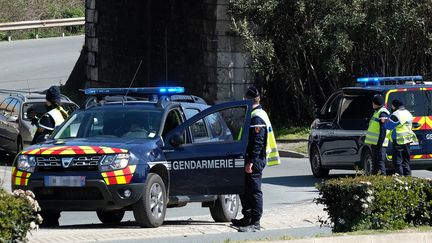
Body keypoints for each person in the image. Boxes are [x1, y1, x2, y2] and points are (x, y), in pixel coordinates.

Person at [232, 86, 281, 233]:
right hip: (250, 159)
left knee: (254, 191)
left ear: (249, 99)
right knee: (245, 189)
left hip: (255, 160)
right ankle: (247, 217)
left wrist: (251, 161)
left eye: (244, 98)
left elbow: (258, 141)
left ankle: (255, 222)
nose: (243, 100)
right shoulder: (255, 114)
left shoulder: (257, 116)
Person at [384, 99, 417, 176]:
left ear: (394, 106)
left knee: (397, 162)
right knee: (406, 161)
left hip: (399, 141)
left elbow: (388, 126)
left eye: (392, 105)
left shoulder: (396, 114)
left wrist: (388, 118)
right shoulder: (408, 113)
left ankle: (400, 180)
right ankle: (408, 179)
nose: (391, 107)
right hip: (407, 140)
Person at [364, 94, 389, 175]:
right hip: (376, 143)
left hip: (380, 143)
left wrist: (379, 144)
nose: (372, 104)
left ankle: (383, 182)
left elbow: (383, 130)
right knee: (375, 163)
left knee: (380, 163)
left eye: (373, 102)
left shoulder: (382, 113)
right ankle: (375, 181)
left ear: (376, 103)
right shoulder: (377, 112)